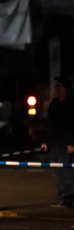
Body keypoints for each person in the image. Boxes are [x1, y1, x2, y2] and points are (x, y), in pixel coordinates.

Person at [41, 76, 74, 207]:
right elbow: (48, 123)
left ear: (65, 89)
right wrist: (44, 140)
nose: (57, 90)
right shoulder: (54, 103)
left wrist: (72, 143)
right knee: (57, 171)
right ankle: (63, 197)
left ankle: (68, 198)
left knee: (67, 172)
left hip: (67, 144)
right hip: (55, 142)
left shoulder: (71, 103)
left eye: (59, 87)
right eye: (56, 87)